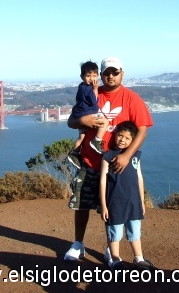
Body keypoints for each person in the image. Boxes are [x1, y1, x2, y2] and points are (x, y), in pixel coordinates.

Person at [64, 57, 153, 262]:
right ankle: (78, 244)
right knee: (82, 205)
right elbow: (71, 120)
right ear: (100, 75)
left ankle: (110, 250)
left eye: (115, 72)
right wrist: (82, 120)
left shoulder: (132, 98)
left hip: (115, 164)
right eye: (106, 73)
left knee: (111, 209)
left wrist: (126, 156)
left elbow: (142, 130)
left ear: (122, 73)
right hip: (89, 160)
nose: (110, 76)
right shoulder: (90, 93)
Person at [100, 121, 155, 270]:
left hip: (133, 201)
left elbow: (139, 177)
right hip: (114, 202)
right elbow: (103, 180)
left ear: (133, 140)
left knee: (135, 232)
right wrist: (104, 206)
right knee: (115, 233)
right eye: (120, 136)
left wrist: (142, 202)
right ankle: (115, 260)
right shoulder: (108, 156)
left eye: (127, 138)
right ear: (115, 135)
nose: (122, 140)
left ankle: (139, 258)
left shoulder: (136, 155)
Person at [67, 61, 109, 170]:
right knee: (105, 122)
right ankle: (97, 141)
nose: (91, 78)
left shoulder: (81, 86)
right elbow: (94, 101)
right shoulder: (88, 89)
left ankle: (74, 153)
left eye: (94, 76)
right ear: (82, 77)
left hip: (79, 113)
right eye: (88, 76)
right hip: (87, 113)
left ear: (98, 76)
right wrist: (95, 89)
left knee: (81, 136)